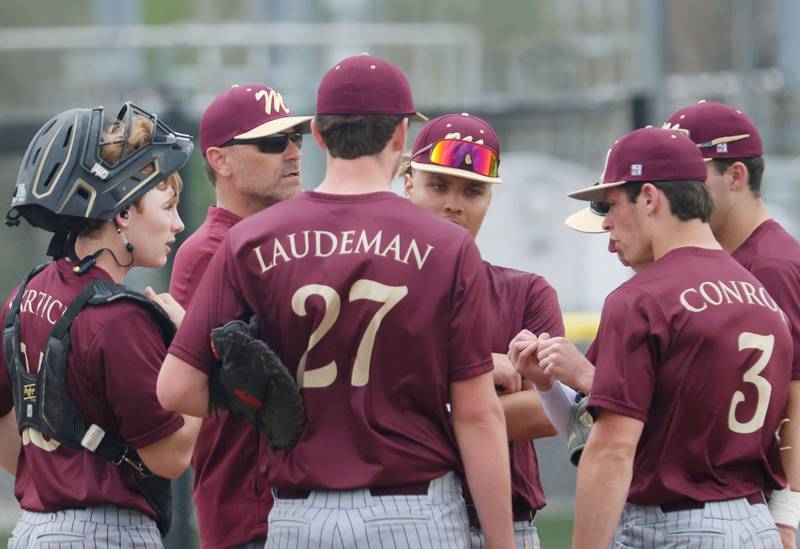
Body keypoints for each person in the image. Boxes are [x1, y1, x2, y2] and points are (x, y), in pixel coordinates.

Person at [157, 54, 515, 548]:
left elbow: (175, 391)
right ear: (399, 139)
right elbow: (477, 416)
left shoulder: (250, 241)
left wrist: (263, 398)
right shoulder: (448, 245)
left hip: (299, 515)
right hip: (412, 511)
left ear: (321, 137)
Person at [515, 126, 791, 548]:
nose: (605, 223)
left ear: (648, 197)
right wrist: (551, 385)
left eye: (610, 205)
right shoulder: (760, 296)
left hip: (678, 527)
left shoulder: (643, 297)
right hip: (755, 523)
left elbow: (609, 451)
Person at [0, 103, 200, 547]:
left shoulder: (22, 295)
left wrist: (59, 475)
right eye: (167, 205)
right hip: (107, 534)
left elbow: (7, 432)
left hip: (32, 531)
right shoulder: (120, 319)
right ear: (124, 212)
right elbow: (171, 457)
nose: (178, 223)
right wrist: (195, 349)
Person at [402, 112, 560, 548]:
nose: (455, 202)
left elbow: (549, 413)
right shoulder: (379, 288)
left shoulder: (527, 291)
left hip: (508, 521)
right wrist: (478, 376)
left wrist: (415, 413)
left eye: (473, 190)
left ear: (489, 199)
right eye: (439, 185)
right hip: (404, 519)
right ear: (408, 184)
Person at [164, 83, 311, 549]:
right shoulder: (210, 250)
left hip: (296, 507)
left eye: (296, 139)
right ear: (221, 160)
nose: (291, 153)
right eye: (271, 143)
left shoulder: (287, 242)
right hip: (251, 514)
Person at [663, 100, 800, 547]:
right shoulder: (733, 260)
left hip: (765, 504)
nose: (677, 188)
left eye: (691, 174)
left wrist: (788, 513)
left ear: (736, 176)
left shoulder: (767, 266)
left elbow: (796, 397)